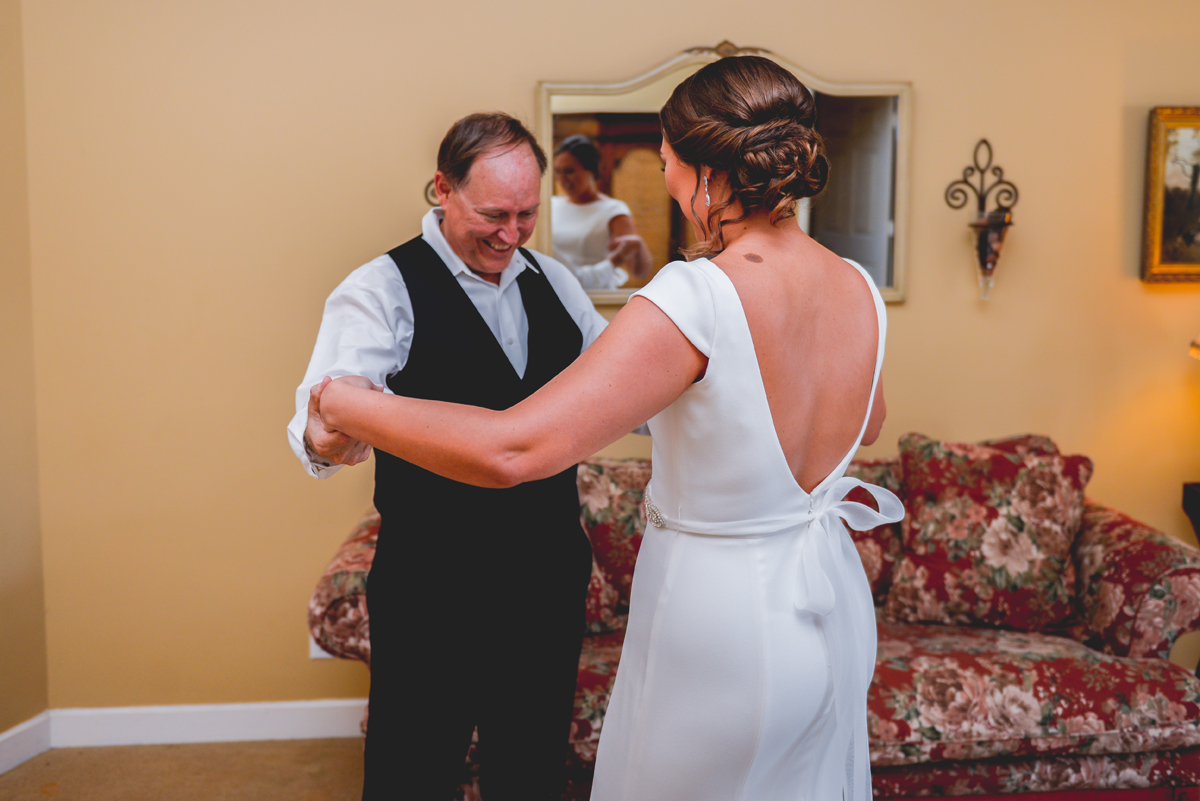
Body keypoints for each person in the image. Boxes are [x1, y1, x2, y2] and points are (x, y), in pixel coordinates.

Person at [314, 56, 904, 801]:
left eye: (665, 163)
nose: (664, 181)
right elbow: (869, 420)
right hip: (825, 605)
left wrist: (343, 401)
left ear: (705, 173)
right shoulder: (853, 283)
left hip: (721, 617)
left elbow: (514, 446)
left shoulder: (696, 292)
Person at [287, 112, 610, 801]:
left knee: (530, 770)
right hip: (432, 584)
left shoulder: (554, 281)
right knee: (414, 769)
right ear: (443, 188)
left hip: (546, 580)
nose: (511, 233)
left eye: (527, 214)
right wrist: (330, 429)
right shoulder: (381, 288)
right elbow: (317, 426)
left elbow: (615, 376)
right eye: (494, 213)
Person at [551, 135, 653, 289]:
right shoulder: (551, 205)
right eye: (557, 171)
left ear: (591, 170)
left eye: (570, 171)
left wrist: (638, 245)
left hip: (596, 294)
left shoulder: (613, 210)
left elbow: (640, 272)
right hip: (557, 290)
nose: (562, 178)